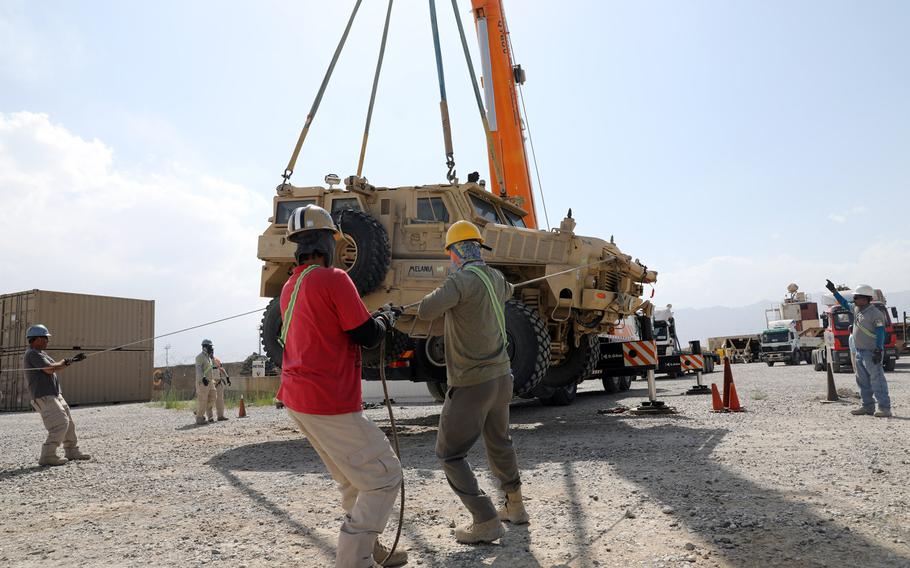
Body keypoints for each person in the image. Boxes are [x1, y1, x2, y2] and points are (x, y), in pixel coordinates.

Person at [277, 204, 407, 568]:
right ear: (328, 242)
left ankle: (368, 547)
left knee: (354, 479)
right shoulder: (334, 279)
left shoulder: (290, 286)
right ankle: (353, 560)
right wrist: (385, 319)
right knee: (384, 475)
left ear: (297, 247)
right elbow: (366, 336)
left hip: (299, 398)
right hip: (326, 399)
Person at [417, 220, 528, 545]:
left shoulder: (460, 281)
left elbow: (426, 310)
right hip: (501, 377)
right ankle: (515, 507)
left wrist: (445, 286)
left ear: (455, 252)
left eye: (451, 252)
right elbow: (509, 290)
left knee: (449, 454)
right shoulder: (496, 278)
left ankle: (485, 519)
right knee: (499, 442)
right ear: (478, 247)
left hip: (472, 382)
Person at [23, 324, 91, 466]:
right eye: (45, 338)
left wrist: (71, 361)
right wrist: (66, 361)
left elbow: (57, 366)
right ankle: (48, 455)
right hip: (44, 395)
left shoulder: (41, 353)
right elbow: (49, 369)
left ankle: (71, 450)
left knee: (69, 424)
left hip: (54, 394)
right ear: (36, 339)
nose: (47, 341)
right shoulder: (32, 354)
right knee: (60, 423)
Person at [826, 280, 892, 417]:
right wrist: (834, 292)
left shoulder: (875, 314)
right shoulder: (857, 309)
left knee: (877, 380)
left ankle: (884, 408)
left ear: (866, 299)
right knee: (862, 381)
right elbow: (844, 303)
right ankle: (867, 406)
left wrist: (879, 349)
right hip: (860, 352)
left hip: (871, 351)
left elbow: (881, 332)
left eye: (857, 297)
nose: (854, 299)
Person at [194, 339, 218, 424]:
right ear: (204, 347)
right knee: (203, 400)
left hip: (210, 381)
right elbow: (199, 369)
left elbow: (214, 367)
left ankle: (199, 411)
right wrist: (202, 378)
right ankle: (200, 418)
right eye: (210, 347)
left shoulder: (209, 358)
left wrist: (212, 357)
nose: (211, 348)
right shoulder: (199, 357)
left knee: (213, 397)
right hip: (203, 382)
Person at [207, 354, 230, 421]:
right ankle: (210, 417)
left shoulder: (217, 360)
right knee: (210, 400)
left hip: (218, 383)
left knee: (220, 400)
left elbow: (221, 368)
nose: (211, 352)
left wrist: (227, 377)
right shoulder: (205, 361)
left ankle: (220, 416)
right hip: (210, 383)